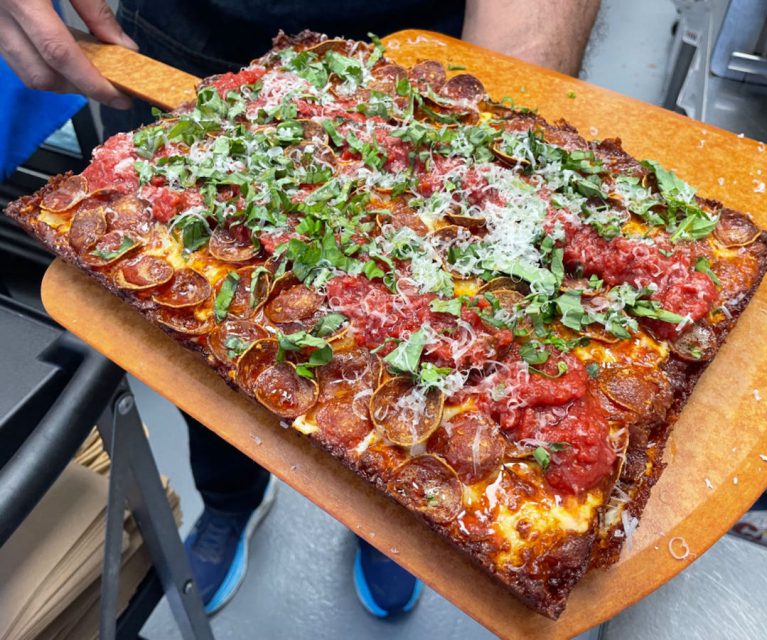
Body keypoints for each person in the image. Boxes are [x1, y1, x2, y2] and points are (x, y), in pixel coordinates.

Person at [0, 0, 600, 618]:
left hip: (426, 67)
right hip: (181, 29)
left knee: (416, 393)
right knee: (201, 335)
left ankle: (407, 516)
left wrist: (496, 153)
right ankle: (229, 500)